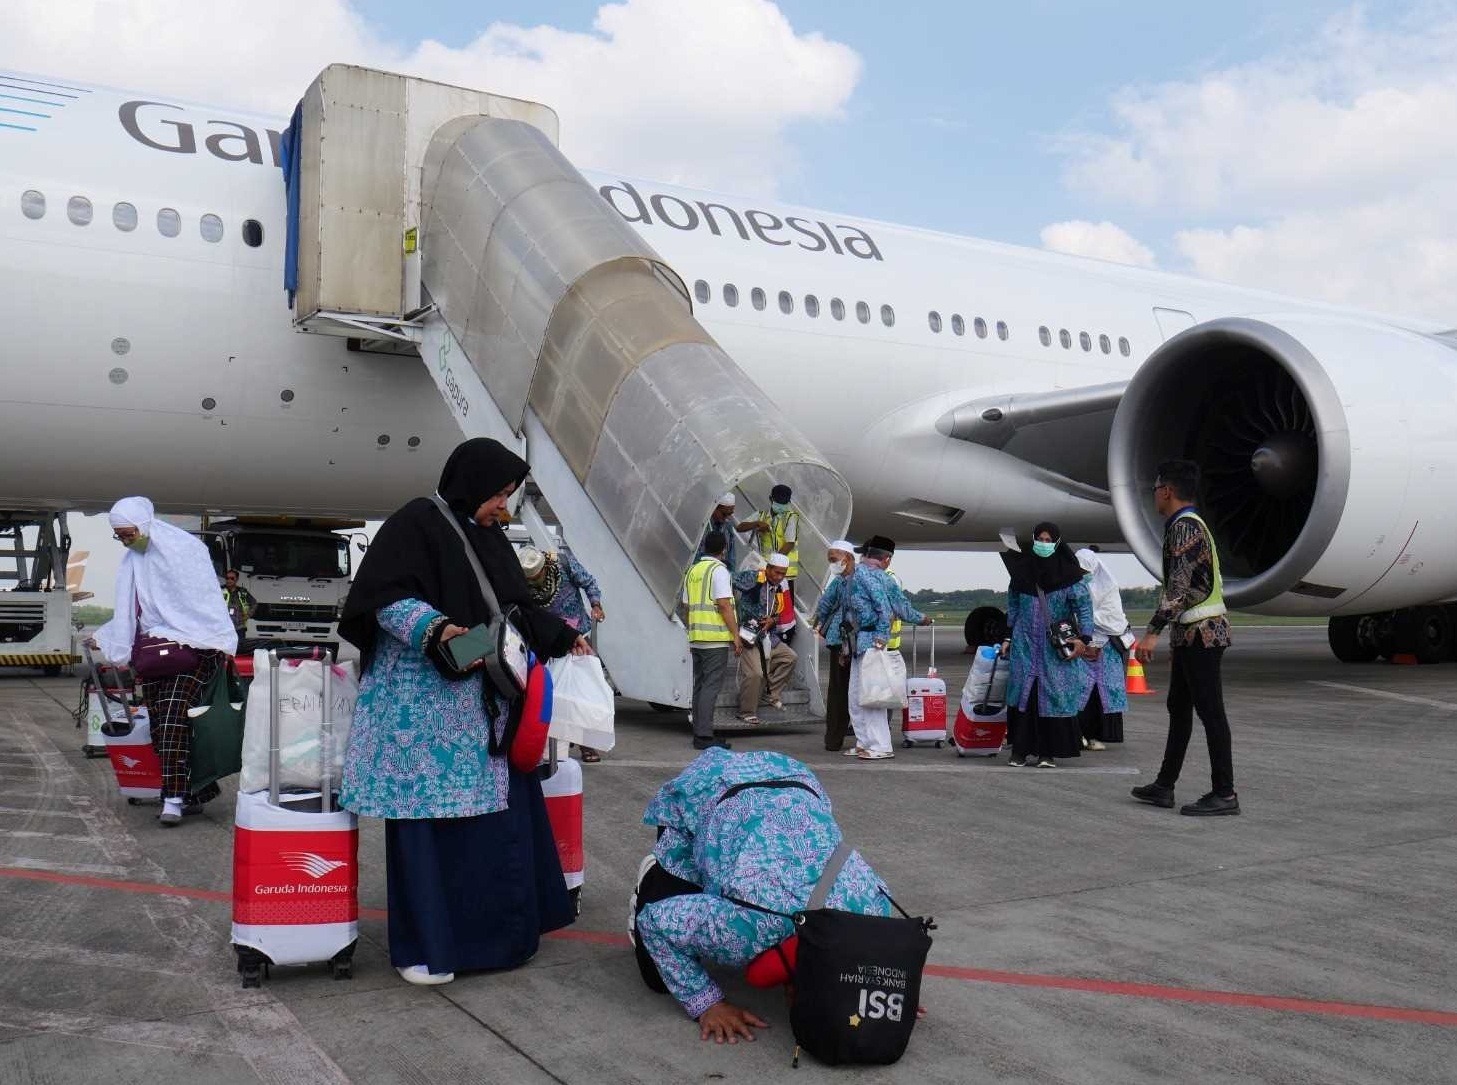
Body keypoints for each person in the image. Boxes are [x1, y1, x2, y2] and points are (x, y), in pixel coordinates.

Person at [337, 437, 593, 986]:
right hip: (424, 718)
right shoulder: (416, 525)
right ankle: (427, 950)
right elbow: (381, 599)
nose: (504, 507)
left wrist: (563, 635)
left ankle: (497, 943)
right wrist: (436, 630)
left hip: (482, 714)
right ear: (471, 484)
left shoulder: (488, 538)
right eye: (499, 495)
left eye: (508, 496)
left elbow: (512, 611)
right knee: (432, 832)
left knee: (493, 833)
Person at [630, 749, 894, 1042]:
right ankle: (654, 874)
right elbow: (655, 923)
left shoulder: (875, 914)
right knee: (657, 977)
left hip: (791, 779)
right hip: (709, 787)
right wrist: (707, 1004)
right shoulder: (750, 929)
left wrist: (886, 995)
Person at [93, 497, 238, 826]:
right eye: (120, 536)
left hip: (194, 649)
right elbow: (128, 610)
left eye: (129, 534)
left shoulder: (186, 551)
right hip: (156, 654)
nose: (127, 541)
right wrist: (106, 637)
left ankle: (171, 799)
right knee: (161, 727)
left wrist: (215, 639)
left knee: (172, 718)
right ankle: (196, 793)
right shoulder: (132, 561)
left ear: (144, 524)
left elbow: (202, 601)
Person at [1131, 460, 1240, 817]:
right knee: (1179, 709)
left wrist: (1152, 633)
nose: (1155, 495)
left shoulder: (1184, 528)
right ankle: (1164, 785)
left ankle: (1225, 793)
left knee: (1211, 713)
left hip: (1202, 634)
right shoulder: (1187, 525)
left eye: (1156, 489)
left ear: (1167, 490)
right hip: (1193, 633)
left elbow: (1177, 587)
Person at [999, 523, 1094, 768]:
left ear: (1057, 542)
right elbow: (1013, 607)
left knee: (1053, 695)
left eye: (1048, 539)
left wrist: (1083, 639)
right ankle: (1019, 751)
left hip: (1054, 646)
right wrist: (1008, 637)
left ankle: (1047, 753)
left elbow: (1084, 608)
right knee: (1024, 693)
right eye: (1039, 538)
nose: (1043, 542)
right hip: (1024, 644)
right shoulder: (1020, 574)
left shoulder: (1071, 576)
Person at [519, 544, 608, 762]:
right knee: (550, 690)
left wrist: (595, 604)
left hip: (576, 636)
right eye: (529, 578)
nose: (533, 581)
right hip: (546, 640)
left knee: (581, 690)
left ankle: (587, 745)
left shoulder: (563, 563)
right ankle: (553, 740)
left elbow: (588, 582)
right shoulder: (520, 578)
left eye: (536, 575)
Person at [846, 536, 929, 761]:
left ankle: (880, 745)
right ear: (887, 559)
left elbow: (884, 608)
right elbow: (901, 607)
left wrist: (881, 636)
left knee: (869, 697)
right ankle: (865, 742)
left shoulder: (861, 574)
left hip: (869, 642)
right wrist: (921, 618)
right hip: (863, 642)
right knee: (861, 696)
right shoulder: (883, 578)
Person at [682, 531, 740, 751]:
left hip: (697, 636)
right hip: (714, 638)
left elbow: (686, 606)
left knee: (699, 685)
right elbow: (724, 605)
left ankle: (699, 731)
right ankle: (705, 735)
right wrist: (735, 635)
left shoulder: (693, 570)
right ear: (724, 549)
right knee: (710, 687)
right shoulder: (719, 571)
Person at [1075, 546, 1132, 749]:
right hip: (1083, 646)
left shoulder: (1108, 588)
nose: (1083, 576)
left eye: (1085, 572)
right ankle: (1079, 734)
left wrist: (1086, 619)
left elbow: (1112, 619)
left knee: (1104, 692)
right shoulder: (1075, 587)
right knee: (1081, 691)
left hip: (1107, 646)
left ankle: (1098, 736)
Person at [731, 552, 796, 724]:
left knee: (789, 658)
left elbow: (777, 613)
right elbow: (732, 579)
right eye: (776, 572)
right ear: (767, 569)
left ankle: (770, 692)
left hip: (768, 636)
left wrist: (772, 620)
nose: (780, 577)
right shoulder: (755, 578)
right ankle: (746, 711)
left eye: (783, 573)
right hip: (749, 637)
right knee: (755, 674)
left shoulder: (780, 587)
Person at [813, 540, 857, 752]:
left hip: (844, 641)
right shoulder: (844, 581)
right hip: (845, 641)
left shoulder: (842, 582)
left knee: (839, 690)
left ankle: (834, 738)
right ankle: (837, 737)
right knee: (847, 690)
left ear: (846, 558)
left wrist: (821, 620)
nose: (832, 564)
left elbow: (824, 605)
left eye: (833, 559)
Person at [694, 493, 743, 571]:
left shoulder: (727, 527)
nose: (726, 518)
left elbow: (731, 556)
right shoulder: (702, 525)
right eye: (724, 514)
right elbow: (695, 556)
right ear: (714, 508)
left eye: (729, 514)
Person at [221, 569, 256, 641]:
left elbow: (254, 603)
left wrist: (247, 615)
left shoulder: (243, 591)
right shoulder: (220, 590)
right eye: (227, 578)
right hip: (223, 626)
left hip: (239, 627)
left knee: (240, 648)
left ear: (236, 579)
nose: (229, 580)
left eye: (232, 578)